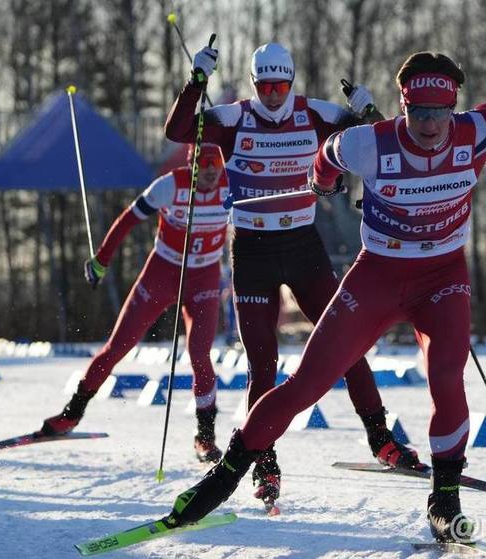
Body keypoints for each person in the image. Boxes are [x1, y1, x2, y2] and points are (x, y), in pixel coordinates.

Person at [161, 51, 486, 542]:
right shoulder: (369, 144)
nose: (429, 124)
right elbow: (326, 155)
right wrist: (322, 184)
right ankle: (223, 477)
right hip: (377, 276)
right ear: (402, 107)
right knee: (307, 383)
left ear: (454, 109)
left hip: (443, 277)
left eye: (439, 113)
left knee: (446, 375)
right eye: (417, 112)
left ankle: (445, 499)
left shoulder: (480, 129)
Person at [164, 42, 420, 506]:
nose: (275, 95)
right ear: (253, 84)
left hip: (303, 247)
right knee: (263, 366)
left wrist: (366, 109)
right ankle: (266, 465)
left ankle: (381, 439)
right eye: (266, 86)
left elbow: (384, 139)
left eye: (282, 85)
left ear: (292, 82)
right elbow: (178, 130)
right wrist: (196, 81)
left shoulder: (316, 113)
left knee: (346, 344)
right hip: (253, 252)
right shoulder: (233, 118)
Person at [40, 143, 231, 463]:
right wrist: (101, 260)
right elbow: (128, 219)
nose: (211, 173)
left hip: (204, 278)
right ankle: (71, 415)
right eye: (204, 166)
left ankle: (205, 438)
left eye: (216, 167)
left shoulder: (232, 185)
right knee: (117, 347)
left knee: (200, 355)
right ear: (192, 165)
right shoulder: (170, 185)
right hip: (162, 272)